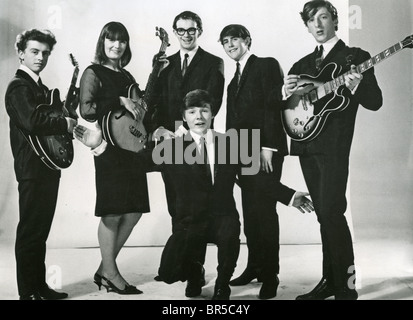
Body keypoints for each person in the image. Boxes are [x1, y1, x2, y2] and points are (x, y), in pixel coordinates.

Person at [75, 89, 240, 300]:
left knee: (229, 232)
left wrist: (290, 196)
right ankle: (194, 273)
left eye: (204, 111)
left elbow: (255, 182)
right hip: (192, 222)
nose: (198, 117)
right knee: (169, 272)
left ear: (212, 113)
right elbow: (133, 163)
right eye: (192, 112)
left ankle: (222, 285)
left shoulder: (231, 143)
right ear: (184, 117)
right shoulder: (172, 147)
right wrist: (101, 146)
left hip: (222, 217)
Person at [284, 0, 383, 300]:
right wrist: (287, 92)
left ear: (335, 20)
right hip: (306, 144)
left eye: (323, 17)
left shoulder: (355, 57)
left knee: (332, 212)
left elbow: (375, 102)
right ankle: (331, 280)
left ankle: (347, 288)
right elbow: (291, 106)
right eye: (311, 20)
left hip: (335, 147)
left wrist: (357, 86)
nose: (318, 25)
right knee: (324, 216)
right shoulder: (301, 65)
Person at [219, 24, 314, 300]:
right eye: (225, 42)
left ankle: (270, 275)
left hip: (264, 149)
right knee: (250, 215)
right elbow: (232, 122)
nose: (230, 45)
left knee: (265, 214)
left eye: (234, 39)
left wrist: (269, 147)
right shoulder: (231, 81)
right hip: (242, 150)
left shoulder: (266, 65)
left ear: (247, 40)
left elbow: (273, 105)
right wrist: (231, 155)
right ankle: (254, 267)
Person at [149, 10, 225, 290]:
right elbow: (154, 101)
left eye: (191, 30)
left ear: (200, 31)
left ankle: (196, 272)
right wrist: (158, 128)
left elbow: (212, 101)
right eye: (180, 30)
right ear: (175, 32)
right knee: (177, 207)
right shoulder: (164, 63)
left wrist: (186, 129)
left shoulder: (213, 62)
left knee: (197, 209)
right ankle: (183, 264)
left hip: (197, 140)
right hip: (169, 144)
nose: (186, 35)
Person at [5, 29, 76, 300]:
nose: (41, 57)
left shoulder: (41, 88)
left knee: (40, 231)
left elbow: (47, 121)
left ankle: (39, 287)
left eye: (45, 53)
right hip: (31, 170)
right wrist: (64, 123)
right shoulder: (18, 86)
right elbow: (32, 122)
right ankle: (28, 293)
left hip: (46, 167)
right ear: (21, 53)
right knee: (30, 231)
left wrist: (66, 119)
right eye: (35, 51)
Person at [78, 21, 149, 295]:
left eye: (122, 41)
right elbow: (87, 109)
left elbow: (138, 114)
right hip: (108, 151)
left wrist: (141, 107)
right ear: (103, 42)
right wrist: (120, 100)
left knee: (134, 210)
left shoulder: (128, 77)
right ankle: (111, 273)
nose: (117, 45)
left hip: (131, 148)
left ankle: (104, 269)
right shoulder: (92, 72)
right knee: (112, 210)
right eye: (111, 39)